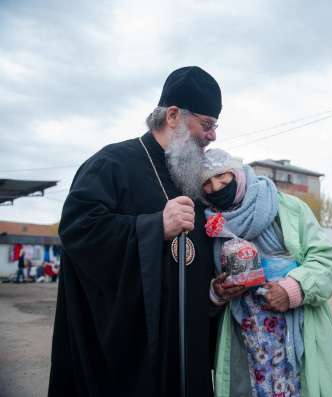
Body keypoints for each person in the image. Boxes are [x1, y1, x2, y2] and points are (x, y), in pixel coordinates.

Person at [49, 66, 222, 396]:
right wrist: (154, 226)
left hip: (188, 347)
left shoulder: (191, 177)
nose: (213, 135)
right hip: (132, 355)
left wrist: (217, 288)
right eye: (207, 124)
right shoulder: (112, 164)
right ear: (173, 115)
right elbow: (77, 230)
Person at [200, 149, 332, 397]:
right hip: (245, 339)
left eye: (222, 176)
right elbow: (201, 283)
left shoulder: (287, 208)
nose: (216, 186)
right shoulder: (210, 225)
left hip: (297, 329)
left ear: (237, 173)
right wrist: (217, 291)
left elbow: (327, 261)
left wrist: (292, 289)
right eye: (206, 183)